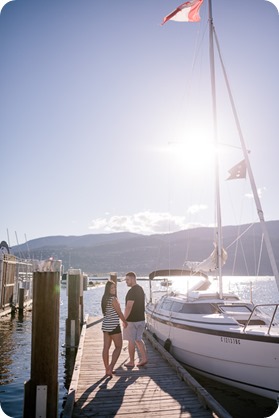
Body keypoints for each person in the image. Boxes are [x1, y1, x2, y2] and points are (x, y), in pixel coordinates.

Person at [101, 280, 127, 377]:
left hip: (105, 326)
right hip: (114, 326)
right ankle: (110, 367)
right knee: (118, 347)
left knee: (106, 348)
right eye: (111, 288)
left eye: (114, 287)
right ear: (108, 289)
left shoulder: (104, 299)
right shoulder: (113, 299)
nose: (114, 289)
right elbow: (119, 313)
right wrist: (125, 322)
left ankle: (107, 369)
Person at [123, 271, 148, 367]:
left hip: (132, 320)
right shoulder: (141, 289)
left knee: (131, 340)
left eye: (127, 280)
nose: (126, 282)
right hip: (141, 319)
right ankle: (144, 358)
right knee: (138, 339)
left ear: (133, 279)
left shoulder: (132, 291)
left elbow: (129, 307)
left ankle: (131, 362)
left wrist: (124, 320)